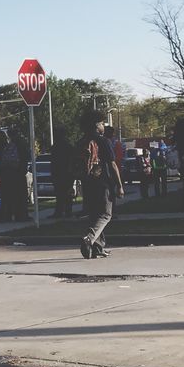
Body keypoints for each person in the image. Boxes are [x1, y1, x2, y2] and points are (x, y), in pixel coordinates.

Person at [79, 111, 123, 260]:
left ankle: (98, 247)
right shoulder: (103, 141)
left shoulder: (82, 141)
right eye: (102, 123)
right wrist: (120, 185)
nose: (104, 126)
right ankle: (89, 238)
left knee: (94, 215)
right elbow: (112, 164)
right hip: (103, 182)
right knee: (105, 214)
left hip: (87, 182)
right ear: (96, 125)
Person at [50, 127, 75, 218]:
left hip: (65, 173)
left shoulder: (67, 147)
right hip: (60, 173)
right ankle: (61, 211)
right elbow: (53, 162)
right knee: (60, 194)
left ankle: (66, 211)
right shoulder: (56, 147)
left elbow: (71, 161)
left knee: (65, 193)